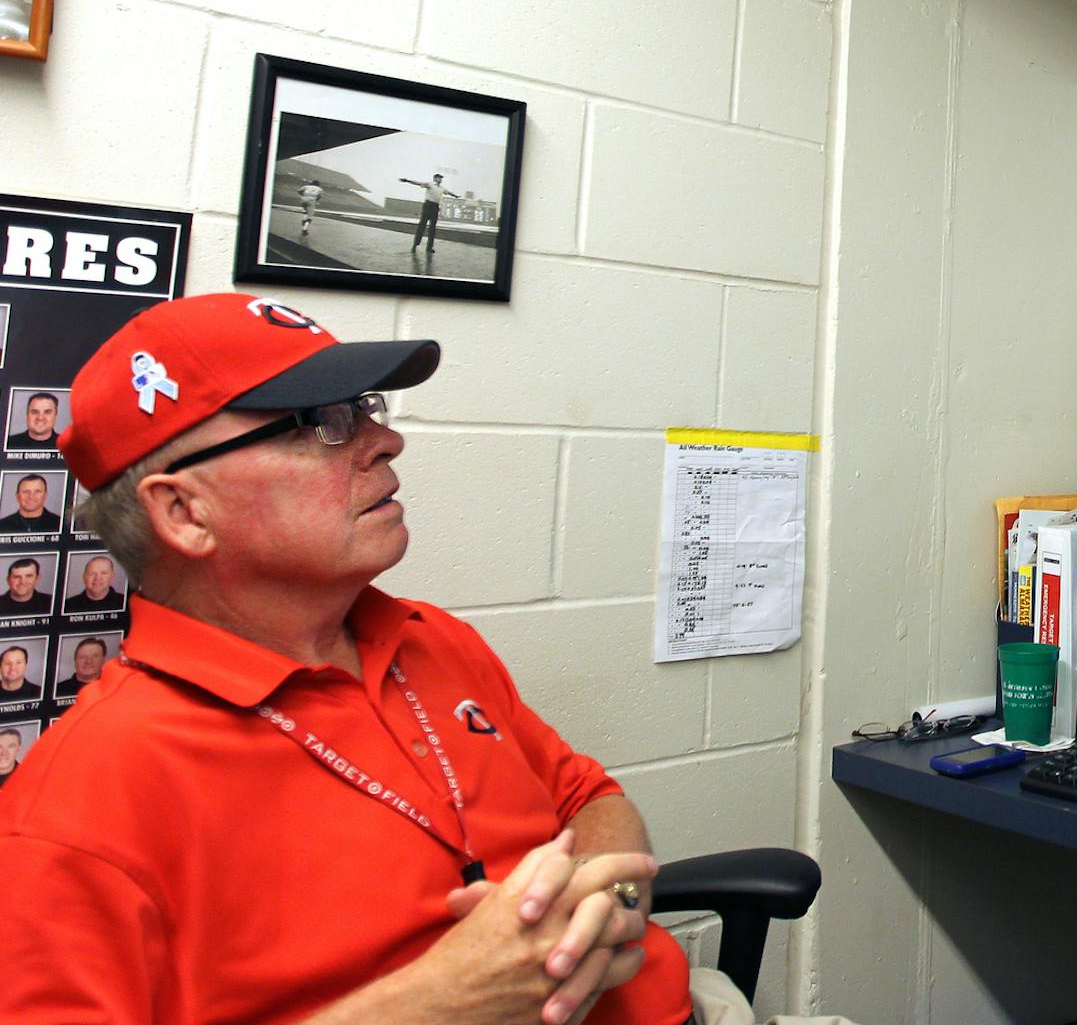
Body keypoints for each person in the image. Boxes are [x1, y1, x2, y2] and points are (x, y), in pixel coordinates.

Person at [0, 292, 837, 1025]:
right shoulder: (75, 814)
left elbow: (590, 797)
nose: (384, 439)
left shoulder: (425, 637)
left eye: (365, 404)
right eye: (322, 422)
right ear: (184, 510)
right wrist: (433, 1004)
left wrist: (603, 903)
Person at [398, 172, 465, 253]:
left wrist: (456, 196)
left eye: (441, 178)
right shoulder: (430, 184)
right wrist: (407, 180)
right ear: (435, 178)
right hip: (428, 206)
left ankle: (429, 248)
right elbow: (418, 183)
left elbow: (449, 193)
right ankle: (415, 245)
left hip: (435, 207)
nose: (440, 179)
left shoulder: (441, 188)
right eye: (439, 178)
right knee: (422, 226)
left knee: (432, 228)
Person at [53, 635, 106, 700]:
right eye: (82, 657)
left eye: (95, 656)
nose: (88, 662)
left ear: (103, 660)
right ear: (75, 661)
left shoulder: (115, 687)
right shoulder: (57, 690)